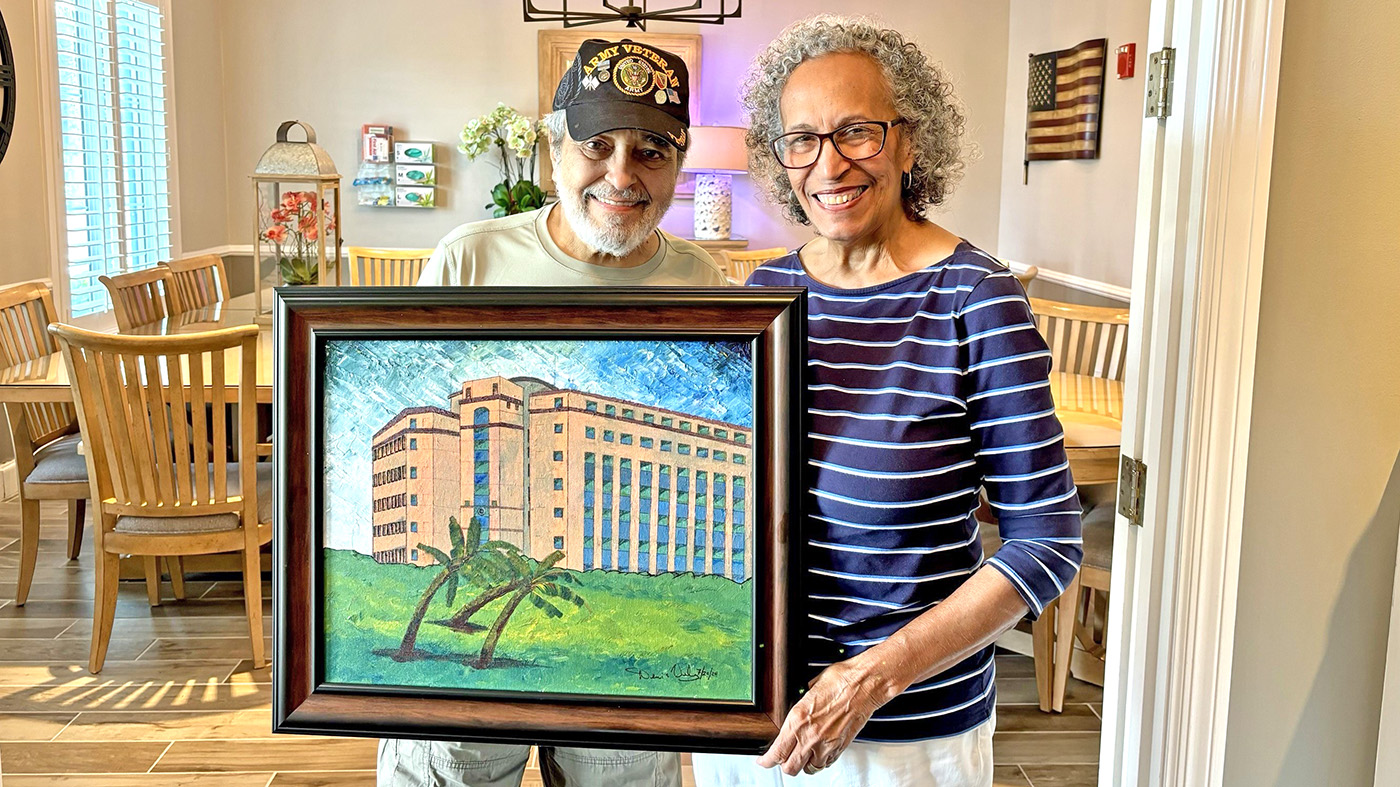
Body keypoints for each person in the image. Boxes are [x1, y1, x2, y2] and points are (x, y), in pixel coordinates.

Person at [693, 16, 1083, 787]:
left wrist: (872, 679)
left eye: (858, 132)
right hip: (751, 716)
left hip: (903, 734)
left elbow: (1047, 540)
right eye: (801, 139)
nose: (828, 163)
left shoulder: (975, 299)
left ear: (910, 140)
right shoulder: (767, 295)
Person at [378, 38, 724, 787]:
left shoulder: (704, 280)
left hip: (621, 673)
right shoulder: (470, 258)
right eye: (597, 145)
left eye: (651, 151)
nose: (622, 174)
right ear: (553, 147)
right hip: (463, 643)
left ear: (680, 164)